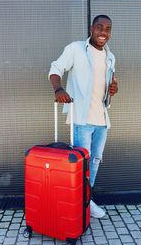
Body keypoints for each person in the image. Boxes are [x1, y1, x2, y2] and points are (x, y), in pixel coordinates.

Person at [48, 15, 118, 218]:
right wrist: (58, 88)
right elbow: (55, 69)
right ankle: (76, 202)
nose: (103, 32)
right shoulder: (76, 49)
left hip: (102, 119)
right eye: (99, 27)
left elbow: (105, 84)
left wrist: (113, 89)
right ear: (91, 29)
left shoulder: (110, 56)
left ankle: (86, 200)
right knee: (82, 163)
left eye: (108, 28)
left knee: (95, 161)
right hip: (81, 118)